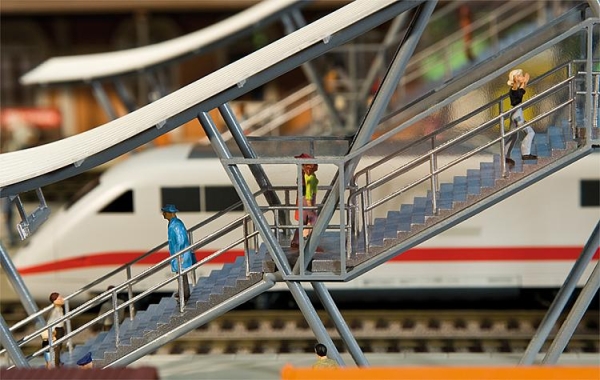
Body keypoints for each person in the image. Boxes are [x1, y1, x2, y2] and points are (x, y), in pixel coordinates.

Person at [161, 204, 196, 305]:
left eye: (165, 212)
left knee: (181, 274)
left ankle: (184, 294)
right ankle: (183, 292)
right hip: (178, 254)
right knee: (180, 274)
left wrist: (179, 254)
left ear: (170, 213)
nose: (163, 214)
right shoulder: (173, 223)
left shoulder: (176, 225)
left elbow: (181, 240)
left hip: (180, 254)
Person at [505, 68, 536, 168]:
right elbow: (516, 90)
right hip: (517, 114)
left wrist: (525, 82)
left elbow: (522, 91)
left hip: (516, 112)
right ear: (515, 79)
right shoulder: (514, 89)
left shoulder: (517, 89)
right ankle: (525, 154)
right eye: (520, 76)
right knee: (530, 132)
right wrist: (516, 81)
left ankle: (505, 155)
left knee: (513, 136)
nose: (522, 77)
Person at [291, 153, 319, 248]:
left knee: (303, 222)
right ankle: (309, 241)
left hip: (305, 199)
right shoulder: (308, 177)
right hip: (307, 200)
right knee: (313, 220)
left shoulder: (304, 176)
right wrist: (310, 205)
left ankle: (296, 241)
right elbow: (307, 191)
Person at [46, 292, 65, 368]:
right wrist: (53, 332)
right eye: (60, 299)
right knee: (56, 348)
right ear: (55, 301)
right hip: (56, 330)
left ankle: (58, 362)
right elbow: (49, 322)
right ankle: (56, 365)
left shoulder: (60, 309)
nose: (62, 299)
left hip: (60, 329)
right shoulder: (55, 311)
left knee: (59, 347)